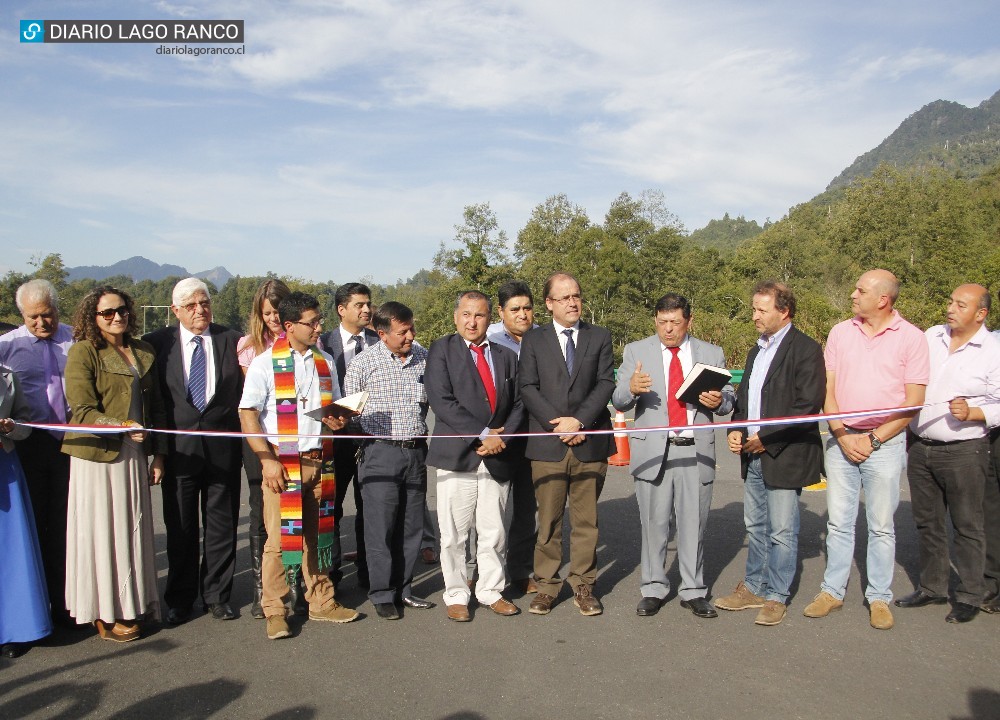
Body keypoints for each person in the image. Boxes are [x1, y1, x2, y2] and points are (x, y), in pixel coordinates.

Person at [803, 269, 928, 630]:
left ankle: (878, 597)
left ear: (883, 299)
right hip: (840, 438)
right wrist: (841, 435)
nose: (853, 294)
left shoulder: (912, 339)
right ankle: (832, 592)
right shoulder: (841, 332)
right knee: (839, 523)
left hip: (885, 445)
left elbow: (913, 402)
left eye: (861, 290)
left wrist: (873, 440)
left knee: (881, 526)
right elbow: (829, 389)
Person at [239, 291, 360, 640]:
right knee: (279, 542)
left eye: (319, 320)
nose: (319, 327)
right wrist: (267, 461)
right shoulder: (265, 363)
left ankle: (322, 601)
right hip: (283, 464)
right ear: (289, 325)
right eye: (313, 322)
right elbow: (247, 413)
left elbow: (332, 410)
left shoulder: (323, 361)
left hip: (320, 461)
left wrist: (338, 420)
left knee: (318, 536)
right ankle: (275, 610)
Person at [612, 293, 735, 620]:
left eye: (675, 323)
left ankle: (694, 590)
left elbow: (729, 399)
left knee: (694, 523)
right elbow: (619, 399)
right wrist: (632, 388)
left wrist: (718, 401)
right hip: (654, 452)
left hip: (695, 451)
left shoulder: (711, 353)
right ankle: (653, 587)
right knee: (653, 524)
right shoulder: (636, 351)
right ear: (655, 320)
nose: (668, 329)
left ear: (689, 322)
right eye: (662, 322)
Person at [715, 282, 825, 625]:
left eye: (762, 310)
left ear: (784, 311)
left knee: (782, 530)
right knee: (756, 525)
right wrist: (736, 429)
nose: (755, 316)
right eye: (753, 309)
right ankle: (753, 587)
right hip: (753, 454)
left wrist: (766, 438)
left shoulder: (805, 349)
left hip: (785, 454)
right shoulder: (755, 352)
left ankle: (776, 595)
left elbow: (807, 405)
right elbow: (745, 400)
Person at [62, 286, 167, 642]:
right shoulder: (83, 352)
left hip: (135, 455)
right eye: (107, 313)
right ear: (92, 317)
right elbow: (82, 410)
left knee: (133, 530)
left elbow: (156, 411)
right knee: (103, 534)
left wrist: (159, 454)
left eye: (121, 310)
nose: (116, 317)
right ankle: (105, 613)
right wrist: (121, 427)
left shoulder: (142, 350)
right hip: (97, 458)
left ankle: (134, 603)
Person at [144, 278, 245, 625]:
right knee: (181, 528)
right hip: (179, 452)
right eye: (191, 306)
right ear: (175, 311)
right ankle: (180, 598)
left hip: (223, 450)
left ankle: (217, 595)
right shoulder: (156, 345)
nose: (200, 310)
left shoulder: (232, 340)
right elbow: (153, 400)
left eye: (204, 303)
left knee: (222, 525)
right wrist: (155, 451)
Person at [898, 284, 1000, 623]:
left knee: (968, 524)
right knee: (928, 522)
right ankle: (932, 587)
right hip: (921, 446)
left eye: (960, 304)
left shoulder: (993, 350)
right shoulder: (931, 337)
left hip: (965, 450)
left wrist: (974, 412)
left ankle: (971, 594)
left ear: (980, 314)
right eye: (950, 301)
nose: (951, 308)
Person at [518, 272, 615, 616]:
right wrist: (558, 425)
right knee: (549, 521)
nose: (572, 302)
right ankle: (546, 585)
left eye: (576, 295)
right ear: (549, 304)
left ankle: (583, 584)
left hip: (589, 442)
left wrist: (580, 421)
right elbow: (527, 387)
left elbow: (605, 383)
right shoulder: (534, 340)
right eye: (564, 298)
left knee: (586, 521)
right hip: (549, 444)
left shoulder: (599, 336)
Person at [426, 291, 524, 622]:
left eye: (479, 315)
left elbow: (520, 403)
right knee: (453, 531)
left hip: (498, 456)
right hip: (457, 454)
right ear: (456, 317)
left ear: (489, 319)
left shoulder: (506, 355)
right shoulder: (442, 350)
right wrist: (483, 435)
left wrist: (503, 436)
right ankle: (456, 593)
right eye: (466, 315)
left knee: (494, 529)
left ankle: (490, 590)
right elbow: (441, 400)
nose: (472, 321)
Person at [344, 301, 433, 620]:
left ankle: (404, 588)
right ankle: (382, 593)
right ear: (382, 334)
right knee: (380, 527)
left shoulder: (424, 357)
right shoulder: (363, 365)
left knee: (411, 527)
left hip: (415, 452)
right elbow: (349, 415)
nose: (410, 336)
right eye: (402, 331)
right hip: (379, 452)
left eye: (411, 328)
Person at [0, 279, 74, 627]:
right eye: (33, 318)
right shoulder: (7, 347)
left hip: (69, 442)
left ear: (57, 310)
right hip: (27, 445)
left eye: (47, 315)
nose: (42, 323)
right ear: (22, 315)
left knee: (64, 527)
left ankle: (64, 605)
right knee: (33, 527)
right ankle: (33, 607)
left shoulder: (75, 340)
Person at [318, 282, 379, 590]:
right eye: (359, 305)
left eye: (368, 304)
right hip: (334, 439)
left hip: (372, 438)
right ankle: (332, 576)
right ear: (341, 310)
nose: (367, 310)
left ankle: (371, 573)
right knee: (332, 507)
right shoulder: (321, 344)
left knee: (370, 507)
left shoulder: (380, 340)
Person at [237, 278, 291, 618]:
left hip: (296, 439)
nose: (272, 318)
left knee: (294, 514)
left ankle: (295, 583)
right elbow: (251, 404)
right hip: (262, 439)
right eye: (266, 312)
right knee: (262, 511)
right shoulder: (249, 346)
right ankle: (264, 587)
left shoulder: (302, 340)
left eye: (277, 312)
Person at [485, 280, 538, 594]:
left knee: (526, 509)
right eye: (515, 309)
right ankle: (478, 571)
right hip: (499, 436)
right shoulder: (488, 339)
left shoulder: (543, 338)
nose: (522, 315)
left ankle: (521, 570)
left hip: (533, 436)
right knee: (489, 510)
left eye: (527, 308)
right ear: (501, 312)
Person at [0, 364, 52, 658]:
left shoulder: (7, 376)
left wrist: (11, 427)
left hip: (4, 467)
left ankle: (15, 630)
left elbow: (25, 423)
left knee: (10, 552)